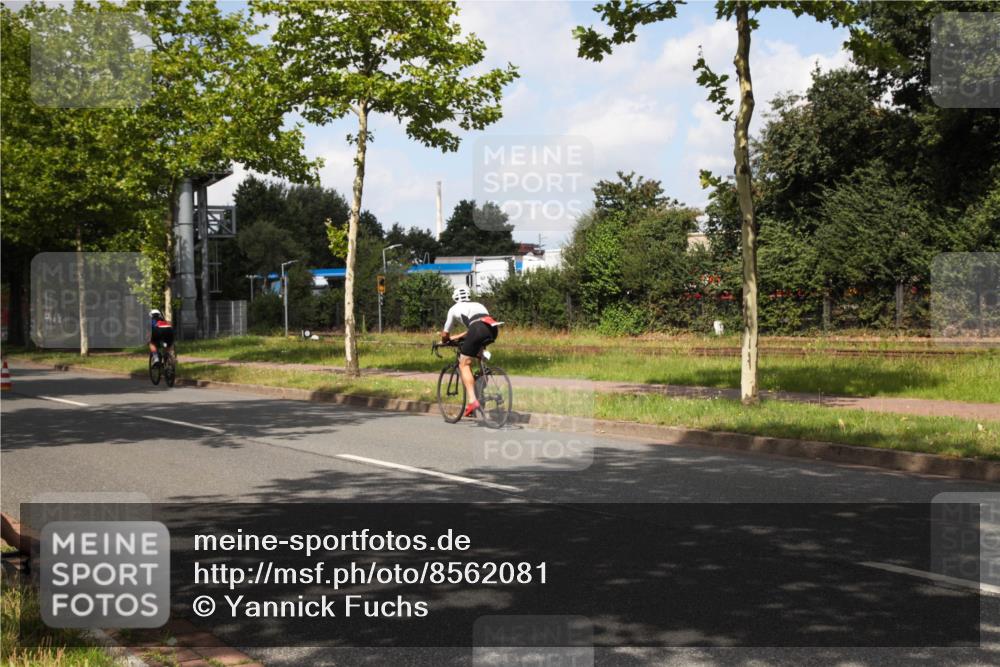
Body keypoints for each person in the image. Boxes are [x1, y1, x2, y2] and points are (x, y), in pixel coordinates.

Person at [440, 286, 501, 418]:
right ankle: (482, 383)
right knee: (479, 358)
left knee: (464, 364)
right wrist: (455, 338)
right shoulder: (479, 304)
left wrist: (445, 340)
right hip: (492, 328)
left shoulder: (453, 309)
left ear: (455, 298)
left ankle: (473, 401)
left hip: (477, 329)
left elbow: (445, 333)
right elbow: (475, 328)